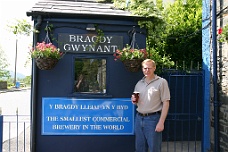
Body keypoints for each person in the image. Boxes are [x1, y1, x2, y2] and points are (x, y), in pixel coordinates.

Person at [131, 59, 170, 152]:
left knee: (154, 148)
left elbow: (166, 102)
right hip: (139, 118)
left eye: (149, 68)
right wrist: (133, 100)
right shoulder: (139, 83)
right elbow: (136, 101)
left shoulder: (161, 82)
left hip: (153, 119)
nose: (147, 70)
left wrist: (161, 122)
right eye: (145, 68)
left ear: (154, 68)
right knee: (139, 148)